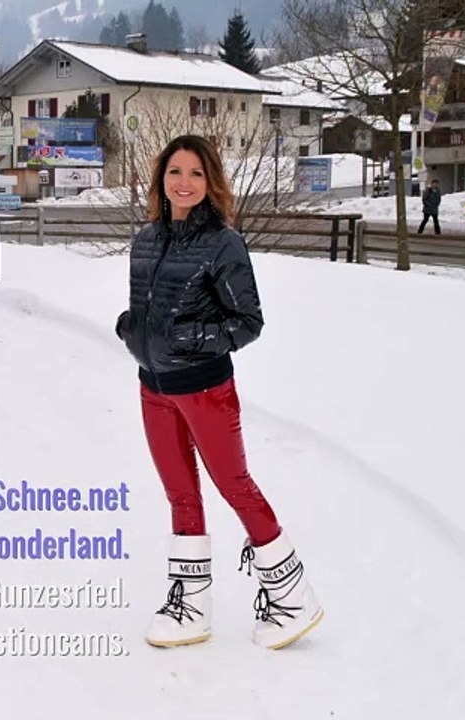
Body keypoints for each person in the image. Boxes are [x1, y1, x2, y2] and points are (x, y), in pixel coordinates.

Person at [114, 135, 322, 650]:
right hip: (154, 387)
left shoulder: (223, 243)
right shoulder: (146, 239)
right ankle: (190, 608)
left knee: (235, 486)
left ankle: (295, 599)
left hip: (206, 387)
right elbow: (149, 303)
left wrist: (189, 340)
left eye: (196, 174)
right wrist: (132, 329)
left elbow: (248, 321)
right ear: (161, 177)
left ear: (211, 184)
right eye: (175, 172)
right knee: (179, 494)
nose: (183, 183)